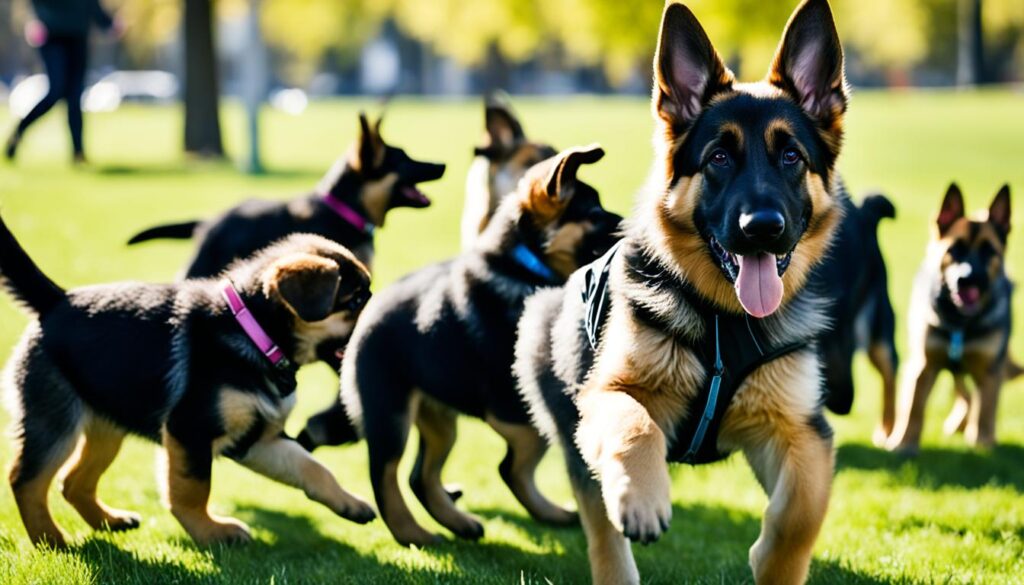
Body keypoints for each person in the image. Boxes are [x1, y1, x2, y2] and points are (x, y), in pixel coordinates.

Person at [5, 0, 121, 164]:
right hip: (52, 35)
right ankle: (18, 132)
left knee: (75, 96)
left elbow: (90, 3)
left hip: (78, 36)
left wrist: (107, 23)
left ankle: (78, 153)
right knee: (56, 90)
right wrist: (33, 19)